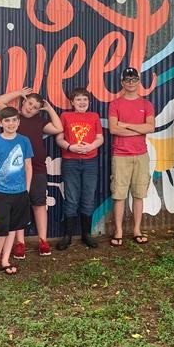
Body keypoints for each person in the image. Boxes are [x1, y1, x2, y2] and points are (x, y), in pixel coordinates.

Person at [0, 88, 62, 259]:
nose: (31, 108)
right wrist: (18, 92)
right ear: (23, 102)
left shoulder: (40, 121)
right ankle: (20, 242)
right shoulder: (13, 118)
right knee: (19, 206)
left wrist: (48, 108)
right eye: (30, 103)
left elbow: (58, 127)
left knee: (39, 204)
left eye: (35, 107)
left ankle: (43, 240)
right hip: (14, 171)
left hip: (37, 168)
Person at [108, 67, 155, 246]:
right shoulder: (115, 104)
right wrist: (138, 128)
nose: (130, 83)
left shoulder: (146, 104)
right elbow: (114, 129)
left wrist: (126, 125)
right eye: (127, 80)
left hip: (141, 155)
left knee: (138, 194)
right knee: (119, 195)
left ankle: (136, 229)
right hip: (120, 155)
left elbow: (150, 128)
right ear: (122, 83)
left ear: (138, 82)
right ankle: (118, 231)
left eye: (134, 80)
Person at [0, 106, 33, 276]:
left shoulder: (24, 141)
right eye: (7, 120)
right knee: (2, 226)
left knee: (13, 226)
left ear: (18, 122)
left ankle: (5, 260)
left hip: (19, 192)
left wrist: (26, 189)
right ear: (1, 123)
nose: (11, 123)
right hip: (0, 192)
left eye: (14, 120)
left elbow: (28, 166)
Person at [55, 87, 103, 250]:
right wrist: (70, 147)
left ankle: (86, 234)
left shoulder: (94, 116)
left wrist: (91, 146)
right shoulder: (65, 116)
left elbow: (100, 138)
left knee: (88, 198)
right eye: (78, 99)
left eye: (85, 99)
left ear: (89, 102)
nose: (82, 102)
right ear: (72, 102)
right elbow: (59, 138)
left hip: (90, 162)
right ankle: (67, 236)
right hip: (71, 162)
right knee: (72, 198)